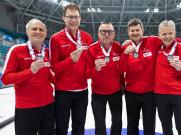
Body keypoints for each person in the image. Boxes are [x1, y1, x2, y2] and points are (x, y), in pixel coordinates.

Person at [118, 18, 181, 135]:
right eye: (132, 31)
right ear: (128, 33)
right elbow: (121, 69)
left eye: (137, 30)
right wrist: (124, 54)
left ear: (142, 31)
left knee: (150, 124)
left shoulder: (153, 41)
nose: (135, 33)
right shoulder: (125, 47)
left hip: (150, 93)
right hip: (132, 93)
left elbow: (169, 39)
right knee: (132, 124)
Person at [1, 18, 55, 135]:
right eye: (34, 29)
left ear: (45, 34)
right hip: (26, 108)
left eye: (41, 29)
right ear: (27, 32)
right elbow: (5, 79)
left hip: (48, 106)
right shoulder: (16, 50)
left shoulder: (47, 52)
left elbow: (50, 76)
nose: (38, 32)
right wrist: (30, 71)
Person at [49, 3, 93, 135]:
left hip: (82, 91)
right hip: (63, 91)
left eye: (76, 17)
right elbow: (54, 67)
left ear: (80, 18)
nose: (73, 20)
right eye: (70, 17)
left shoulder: (87, 37)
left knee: (79, 126)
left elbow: (89, 63)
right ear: (63, 18)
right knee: (61, 126)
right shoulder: (55, 39)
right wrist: (70, 60)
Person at [154, 20, 181, 135]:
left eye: (170, 33)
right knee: (166, 128)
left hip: (180, 95)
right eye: (164, 34)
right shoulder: (156, 47)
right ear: (159, 35)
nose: (167, 37)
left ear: (175, 33)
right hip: (161, 95)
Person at [86, 22, 123, 135]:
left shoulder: (118, 47)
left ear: (113, 34)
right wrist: (95, 69)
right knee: (100, 123)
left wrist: (123, 85)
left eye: (109, 32)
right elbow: (86, 73)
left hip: (116, 92)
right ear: (98, 33)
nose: (106, 34)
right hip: (98, 94)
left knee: (117, 121)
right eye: (103, 32)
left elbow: (123, 68)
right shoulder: (91, 49)